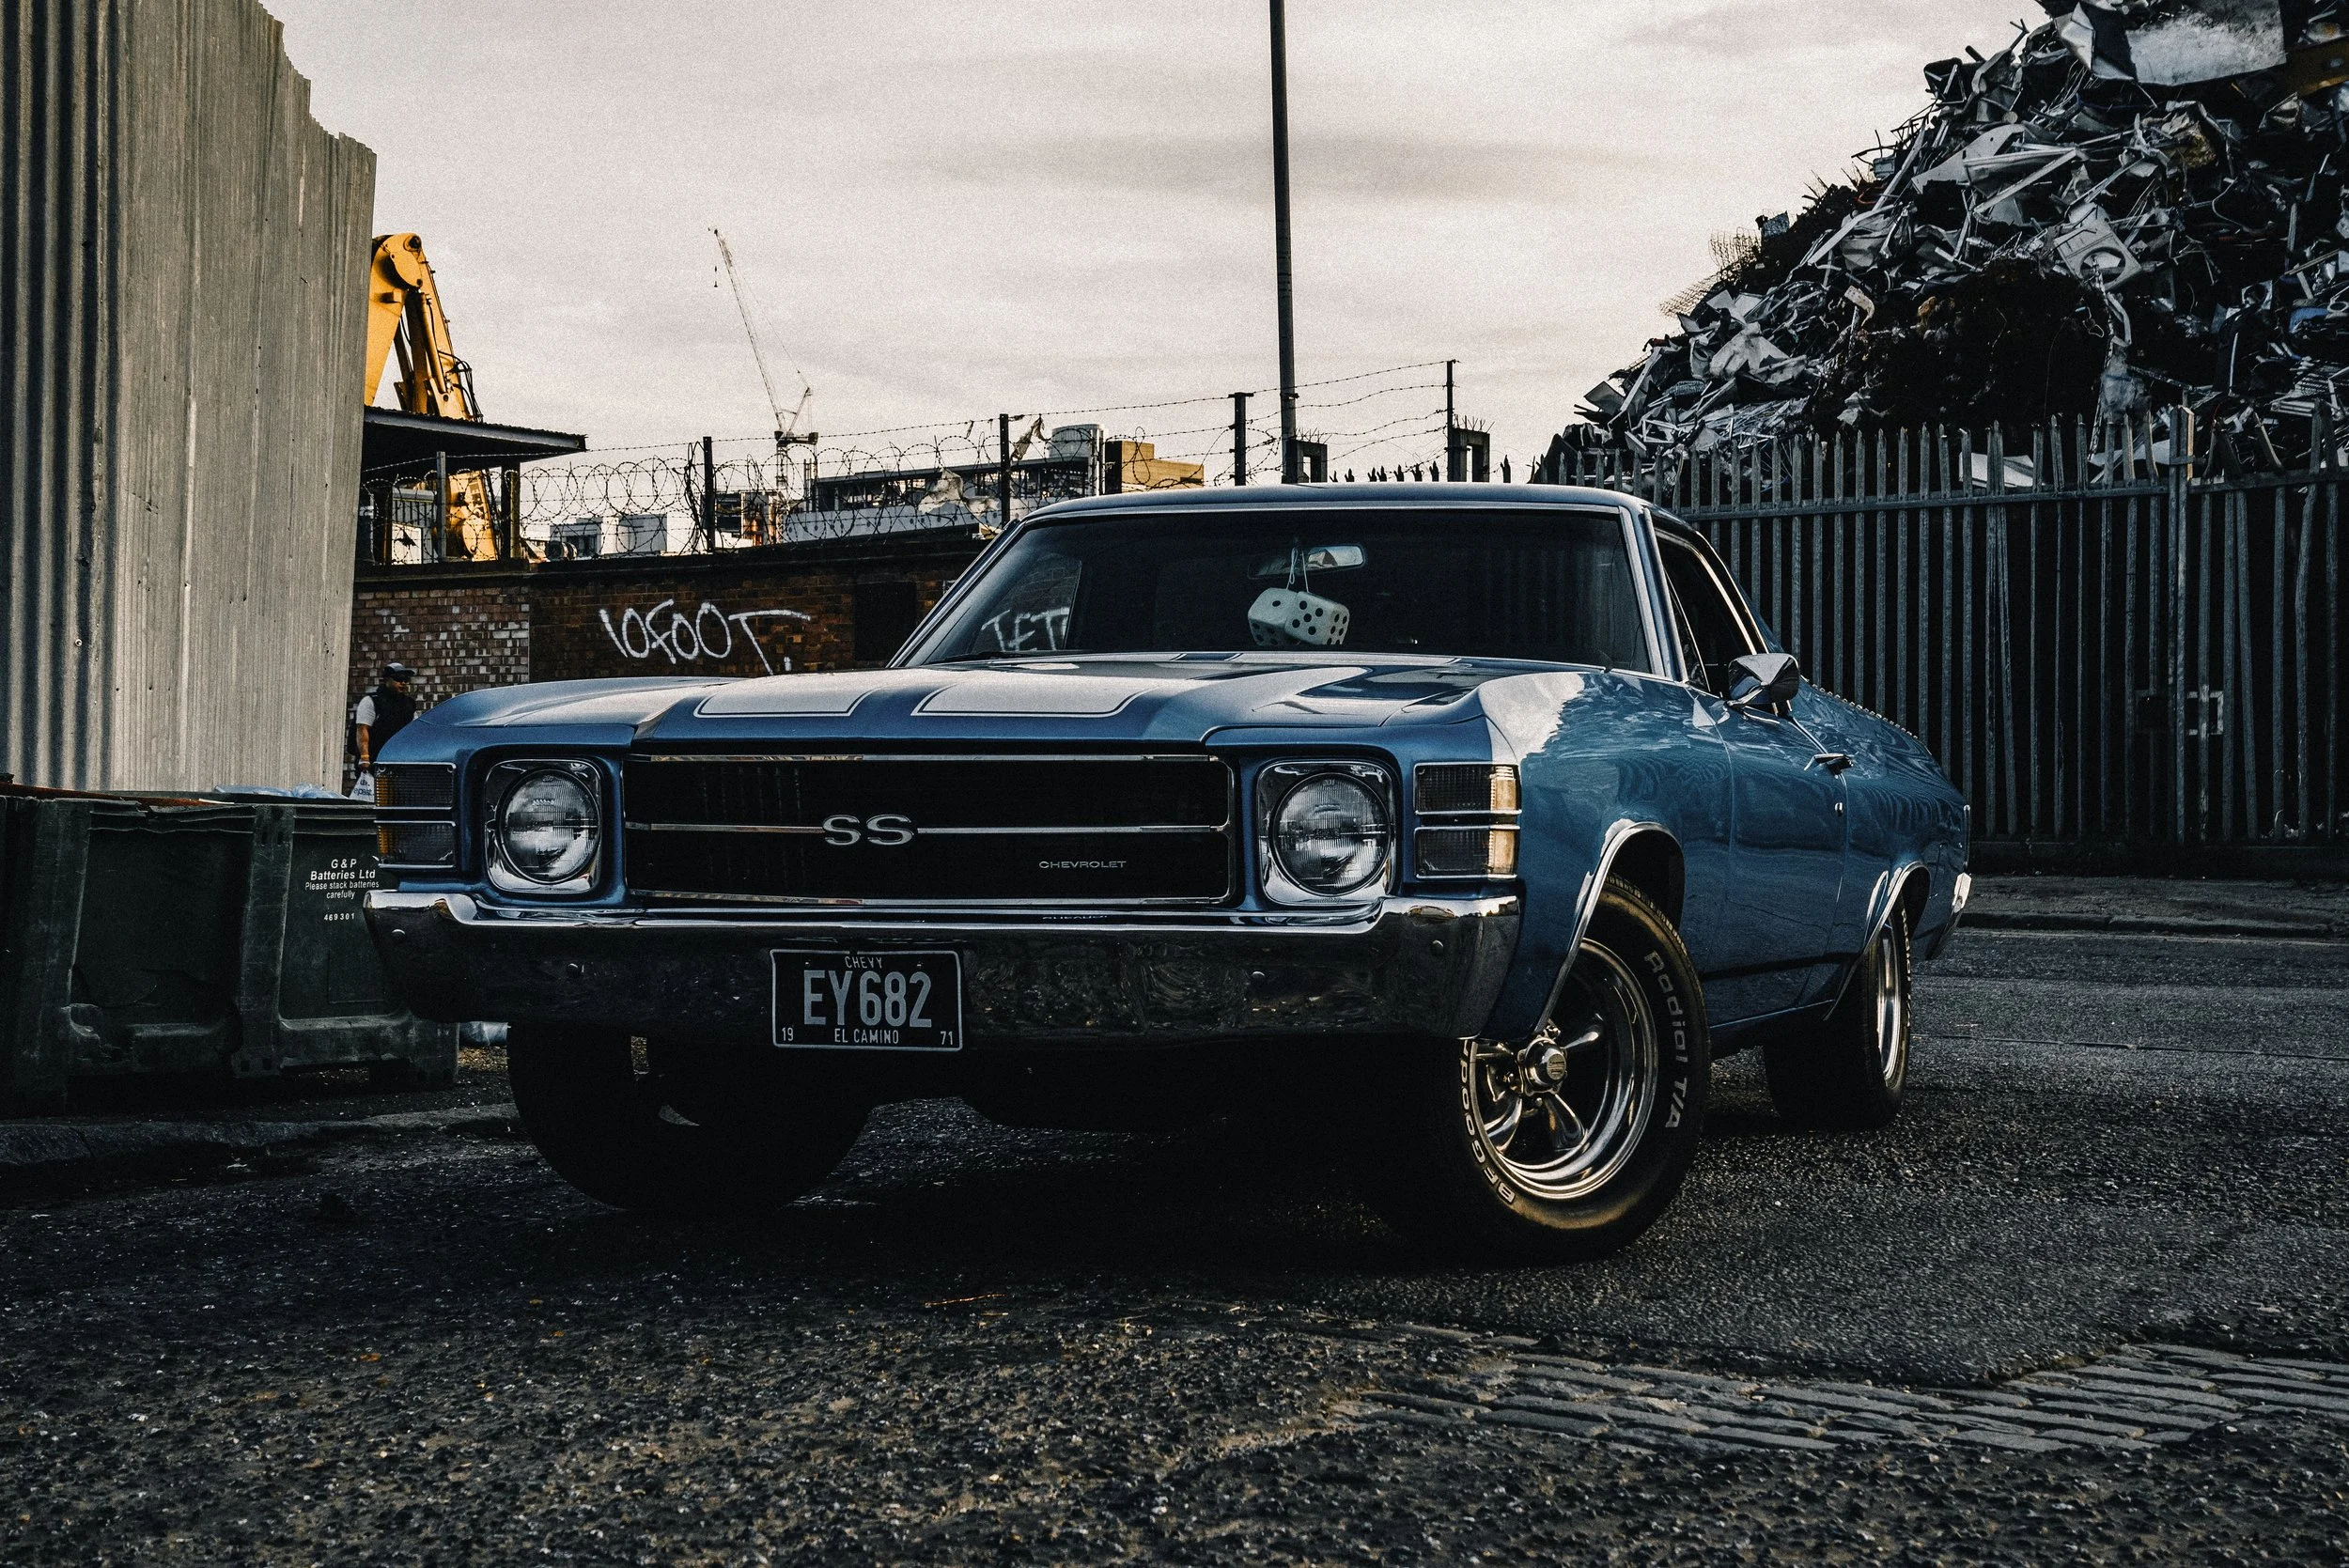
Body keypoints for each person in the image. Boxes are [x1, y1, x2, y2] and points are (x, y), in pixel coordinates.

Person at [352, 663, 417, 797]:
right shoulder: (371, 701)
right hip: (374, 762)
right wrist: (365, 758)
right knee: (375, 800)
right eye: (399, 679)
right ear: (387, 680)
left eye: (406, 680)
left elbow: (414, 731)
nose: (403, 683)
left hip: (399, 762)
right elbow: (362, 728)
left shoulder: (409, 704)